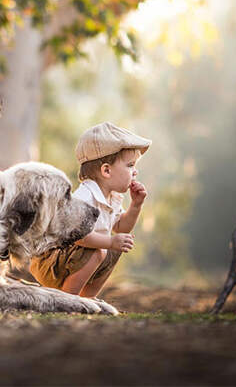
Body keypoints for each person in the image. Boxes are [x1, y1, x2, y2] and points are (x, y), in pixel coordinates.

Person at [29, 121, 151, 299]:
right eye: (130, 165)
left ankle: (88, 299)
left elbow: (121, 228)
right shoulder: (85, 198)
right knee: (100, 249)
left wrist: (136, 205)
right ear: (106, 171)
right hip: (50, 262)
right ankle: (68, 299)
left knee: (115, 248)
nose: (135, 172)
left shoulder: (112, 197)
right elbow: (78, 237)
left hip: (72, 259)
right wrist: (109, 242)